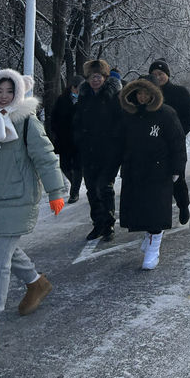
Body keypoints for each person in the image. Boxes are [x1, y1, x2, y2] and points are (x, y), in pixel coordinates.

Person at [0, 69, 65, 361]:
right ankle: (37, 283)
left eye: (9, 92)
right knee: (7, 251)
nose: (3, 96)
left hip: (19, 199)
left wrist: (56, 192)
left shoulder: (27, 123)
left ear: (17, 94)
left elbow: (46, 158)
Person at [114, 77, 186, 270]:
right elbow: (119, 142)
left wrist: (177, 168)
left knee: (156, 211)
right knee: (140, 208)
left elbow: (177, 143)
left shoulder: (166, 114)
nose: (143, 97)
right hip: (135, 170)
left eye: (147, 93)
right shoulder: (129, 115)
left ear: (154, 94)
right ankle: (149, 234)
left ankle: (154, 248)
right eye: (139, 93)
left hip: (158, 171)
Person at [73, 58, 122, 242]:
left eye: (99, 76)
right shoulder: (84, 96)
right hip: (88, 150)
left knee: (104, 187)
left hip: (108, 150)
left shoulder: (112, 95)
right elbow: (77, 120)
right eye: (93, 77)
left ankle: (108, 224)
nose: (96, 80)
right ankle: (97, 224)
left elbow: (120, 120)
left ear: (105, 77)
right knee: (92, 189)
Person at [149, 59, 190, 225]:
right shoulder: (146, 95)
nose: (158, 77)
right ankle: (158, 213)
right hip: (153, 145)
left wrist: (178, 133)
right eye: (154, 74)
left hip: (174, 145)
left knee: (177, 178)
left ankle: (183, 205)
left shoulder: (179, 92)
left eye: (160, 74)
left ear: (167, 75)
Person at [50, 74, 84, 203]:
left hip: (80, 140)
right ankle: (75, 183)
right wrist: (56, 131)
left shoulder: (85, 100)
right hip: (64, 139)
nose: (77, 91)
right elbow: (54, 117)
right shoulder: (62, 100)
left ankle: (74, 192)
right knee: (64, 166)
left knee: (77, 167)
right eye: (76, 88)